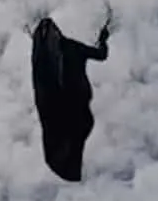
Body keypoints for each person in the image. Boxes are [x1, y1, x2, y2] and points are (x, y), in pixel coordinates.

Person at [29, 11, 111, 182]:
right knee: (67, 132)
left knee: (70, 132)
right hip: (71, 107)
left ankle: (69, 164)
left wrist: (104, 38)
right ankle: (69, 165)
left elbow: (101, 55)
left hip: (75, 104)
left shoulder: (70, 48)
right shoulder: (55, 55)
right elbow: (101, 54)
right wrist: (103, 39)